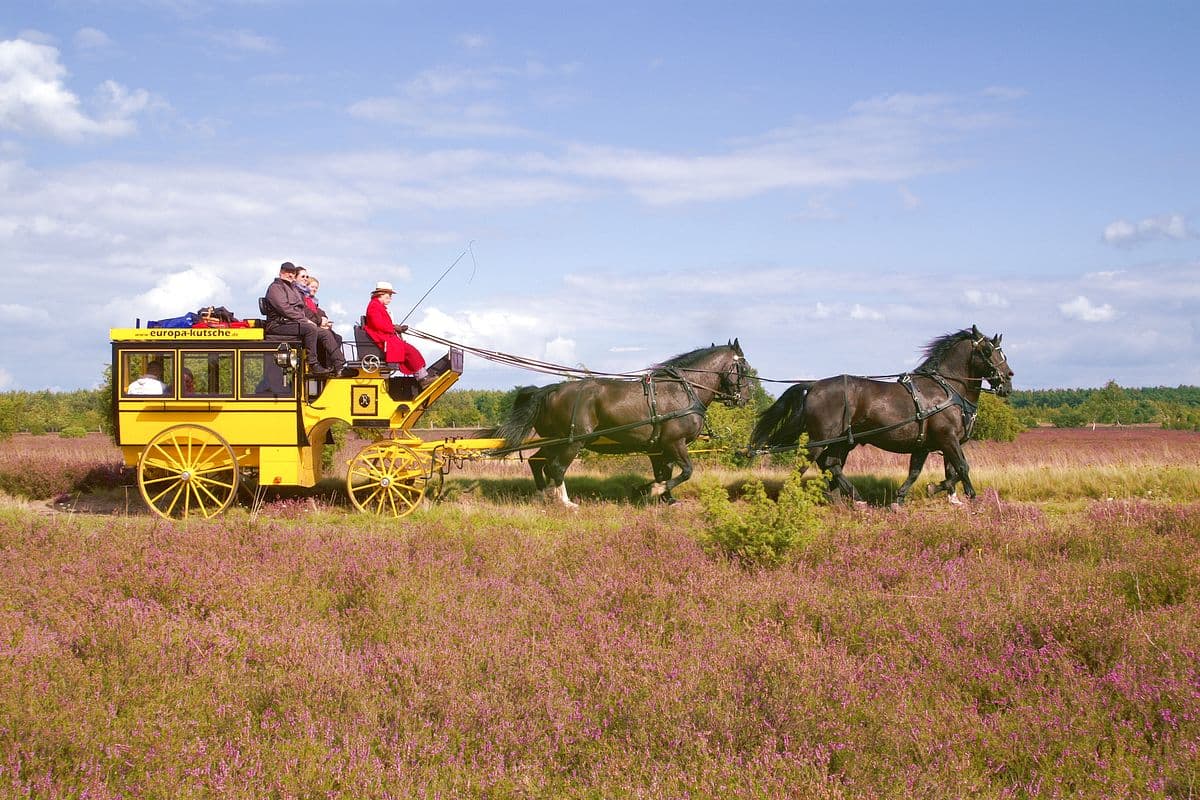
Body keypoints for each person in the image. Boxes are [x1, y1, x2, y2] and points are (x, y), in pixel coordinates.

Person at [263, 262, 347, 377]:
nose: (290, 275)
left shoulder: (293, 289)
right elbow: (285, 309)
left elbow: (302, 308)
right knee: (310, 328)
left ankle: (340, 366)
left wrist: (311, 320)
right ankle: (313, 364)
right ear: (281, 272)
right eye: (287, 272)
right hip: (278, 324)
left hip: (293, 323)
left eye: (292, 272)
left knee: (325, 333)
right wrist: (305, 320)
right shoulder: (275, 288)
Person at [363, 281, 429, 380]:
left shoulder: (378, 306)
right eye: (388, 295)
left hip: (385, 337)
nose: (390, 298)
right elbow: (378, 324)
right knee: (410, 351)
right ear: (380, 294)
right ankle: (422, 378)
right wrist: (394, 328)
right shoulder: (374, 306)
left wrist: (398, 328)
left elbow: (383, 324)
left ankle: (422, 376)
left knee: (410, 350)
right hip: (381, 339)